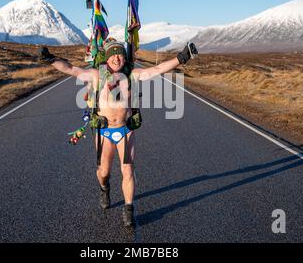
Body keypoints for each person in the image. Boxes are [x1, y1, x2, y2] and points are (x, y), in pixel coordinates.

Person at [39, 41, 198, 227]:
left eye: (120, 54)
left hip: (125, 131)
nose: (116, 58)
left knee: (128, 170)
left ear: (124, 57)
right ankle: (104, 188)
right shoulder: (97, 76)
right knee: (103, 172)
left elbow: (159, 68)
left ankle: (128, 209)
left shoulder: (133, 75)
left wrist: (182, 57)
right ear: (107, 58)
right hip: (103, 131)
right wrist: (50, 59)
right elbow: (70, 69)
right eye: (113, 55)